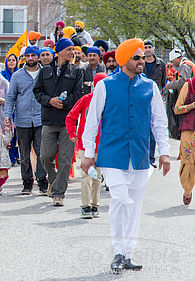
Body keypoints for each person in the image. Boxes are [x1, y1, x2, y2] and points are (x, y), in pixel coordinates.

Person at [81, 38, 170, 273]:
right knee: (120, 198)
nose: (142, 61)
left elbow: (160, 123)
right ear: (124, 60)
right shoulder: (105, 86)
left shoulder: (150, 86)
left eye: (143, 57)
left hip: (140, 156)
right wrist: (88, 153)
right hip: (112, 155)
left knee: (134, 205)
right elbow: (92, 122)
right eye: (137, 57)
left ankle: (127, 253)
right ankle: (118, 250)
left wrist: (165, 153)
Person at [34, 38, 84, 206]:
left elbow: (79, 94)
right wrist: (50, 101)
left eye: (73, 49)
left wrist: (64, 103)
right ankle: (53, 180)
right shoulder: (45, 71)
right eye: (69, 49)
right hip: (48, 120)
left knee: (65, 159)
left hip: (68, 123)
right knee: (45, 157)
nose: (72, 52)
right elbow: (37, 91)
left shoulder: (76, 71)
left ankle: (58, 193)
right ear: (60, 51)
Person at [5, 46, 48, 195]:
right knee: (24, 154)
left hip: (41, 119)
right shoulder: (17, 76)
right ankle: (27, 182)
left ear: (38, 57)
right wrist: (7, 116)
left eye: (33, 56)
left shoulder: (45, 73)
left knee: (41, 152)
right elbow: (10, 97)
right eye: (27, 56)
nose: (30, 58)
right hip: (22, 120)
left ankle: (42, 181)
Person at [66, 73, 107, 219]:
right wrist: (72, 133)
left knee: (97, 177)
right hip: (85, 144)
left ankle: (95, 204)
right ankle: (85, 206)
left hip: (102, 145)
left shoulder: (110, 101)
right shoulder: (86, 99)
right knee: (86, 176)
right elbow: (71, 116)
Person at [143, 40, 167, 168]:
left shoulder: (160, 64)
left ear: (153, 48)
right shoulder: (139, 62)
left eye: (149, 47)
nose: (147, 49)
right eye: (145, 47)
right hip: (141, 98)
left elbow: (163, 81)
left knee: (154, 128)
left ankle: (150, 158)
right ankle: (143, 156)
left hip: (154, 98)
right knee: (142, 128)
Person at [173, 79, 195, 205]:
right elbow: (177, 109)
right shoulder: (190, 85)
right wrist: (191, 106)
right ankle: (187, 190)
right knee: (188, 162)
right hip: (189, 130)